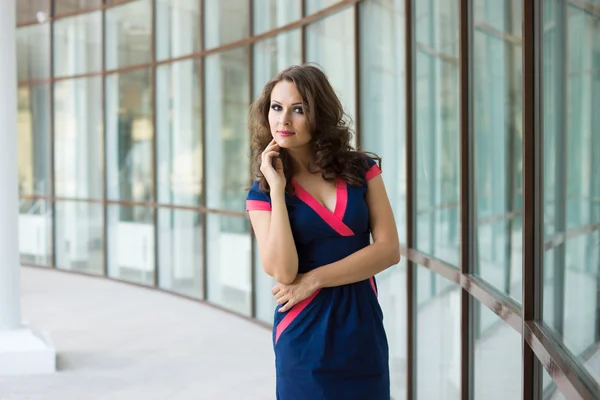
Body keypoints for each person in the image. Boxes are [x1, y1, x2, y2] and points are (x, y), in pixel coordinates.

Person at [246, 64, 400, 400]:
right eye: (276, 107)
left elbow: (389, 250)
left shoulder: (361, 169)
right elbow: (284, 272)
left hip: (362, 327)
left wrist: (314, 279)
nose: (283, 120)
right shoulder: (262, 195)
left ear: (319, 114)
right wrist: (276, 189)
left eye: (298, 109)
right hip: (303, 333)